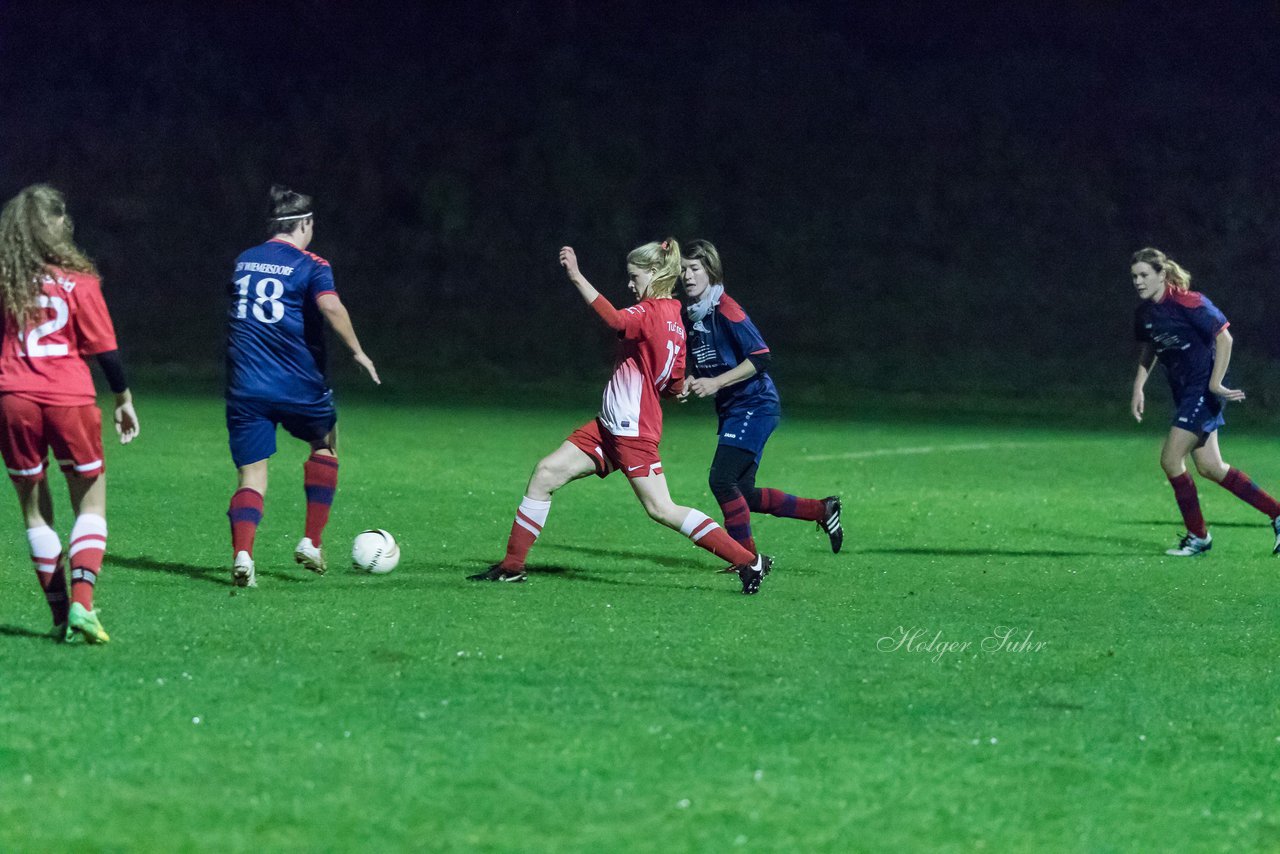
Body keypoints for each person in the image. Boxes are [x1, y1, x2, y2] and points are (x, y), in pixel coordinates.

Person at [469, 239, 773, 593]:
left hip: (630, 429)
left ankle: (748, 562)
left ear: (656, 274)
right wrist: (680, 389)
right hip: (609, 426)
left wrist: (577, 276)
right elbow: (673, 383)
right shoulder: (675, 316)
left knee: (662, 508)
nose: (629, 284)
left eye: (634, 277)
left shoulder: (650, 312)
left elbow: (614, 319)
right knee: (546, 472)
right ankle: (512, 566)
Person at [0, 184, 140, 643]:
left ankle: (60, 615)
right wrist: (123, 399)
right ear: (58, 225)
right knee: (91, 504)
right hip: (69, 398)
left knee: (35, 511)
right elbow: (107, 352)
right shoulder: (80, 281)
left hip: (13, 398)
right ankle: (82, 605)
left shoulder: (7, 280)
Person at [225, 185, 379, 587]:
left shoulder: (244, 261)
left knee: (252, 476)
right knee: (326, 444)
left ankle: (243, 554)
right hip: (298, 384)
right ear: (305, 224)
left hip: (246, 386)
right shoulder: (312, 264)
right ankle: (311, 540)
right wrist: (358, 351)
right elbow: (329, 305)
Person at [678, 239, 842, 555]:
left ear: (710, 271)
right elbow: (706, 361)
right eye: (683, 269)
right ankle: (822, 510)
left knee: (722, 480)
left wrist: (716, 383)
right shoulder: (695, 315)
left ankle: (746, 558)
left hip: (754, 405)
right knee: (743, 492)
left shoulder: (726, 308)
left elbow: (761, 356)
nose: (687, 275)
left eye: (694, 268)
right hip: (734, 409)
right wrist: (690, 381)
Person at [1130, 246, 1280, 556]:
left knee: (1171, 459)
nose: (1138, 281)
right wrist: (1138, 385)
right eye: (1134, 276)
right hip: (1185, 393)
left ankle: (1198, 537)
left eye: (1144, 275)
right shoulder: (1145, 314)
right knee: (1211, 467)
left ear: (1162, 274)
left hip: (1202, 391)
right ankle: (1277, 513)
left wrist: (1215, 382)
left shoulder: (1188, 302)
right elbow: (1150, 347)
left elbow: (1224, 336)